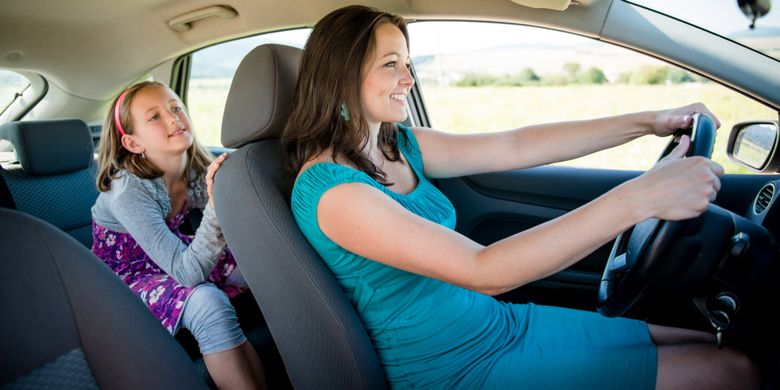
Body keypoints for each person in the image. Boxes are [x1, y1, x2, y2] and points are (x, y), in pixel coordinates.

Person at [282, 5, 759, 389]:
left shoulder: (398, 143)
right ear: (343, 76)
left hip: (499, 324)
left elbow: (516, 144)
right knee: (732, 372)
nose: (409, 78)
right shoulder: (333, 192)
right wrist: (639, 198)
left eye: (407, 63)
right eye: (391, 65)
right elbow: (482, 270)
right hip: (452, 367)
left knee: (713, 345)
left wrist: (649, 120)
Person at [91, 81, 266, 389]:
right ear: (132, 143)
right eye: (154, 116)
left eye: (176, 107)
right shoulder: (129, 190)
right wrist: (216, 203)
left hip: (172, 254)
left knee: (260, 265)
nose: (173, 118)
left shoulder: (195, 164)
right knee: (207, 302)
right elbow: (188, 273)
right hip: (124, 279)